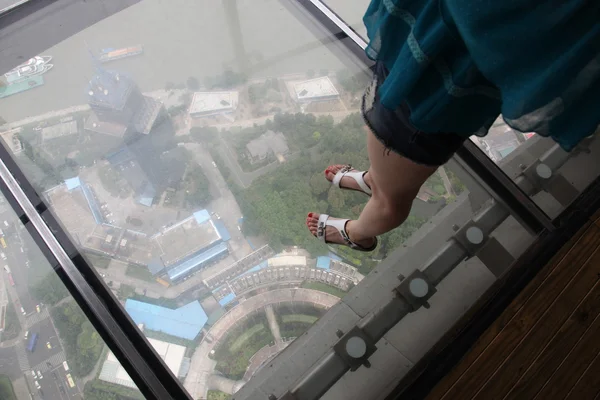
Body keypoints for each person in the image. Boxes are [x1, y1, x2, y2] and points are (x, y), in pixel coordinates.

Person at [306, 0, 600, 251]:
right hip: (433, 36)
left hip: (446, 67)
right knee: (390, 126)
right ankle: (375, 181)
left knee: (391, 199)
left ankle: (358, 234)